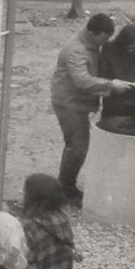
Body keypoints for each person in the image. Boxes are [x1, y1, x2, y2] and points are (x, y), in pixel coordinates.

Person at [50, 13, 125, 204]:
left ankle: (66, 186)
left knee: (76, 146)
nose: (106, 42)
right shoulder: (76, 51)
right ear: (93, 33)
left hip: (77, 103)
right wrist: (111, 85)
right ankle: (65, 189)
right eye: (104, 38)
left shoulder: (91, 43)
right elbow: (82, 80)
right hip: (69, 104)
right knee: (77, 148)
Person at [100, 21, 135, 123]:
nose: (131, 49)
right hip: (115, 101)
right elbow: (102, 73)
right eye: (129, 46)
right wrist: (112, 84)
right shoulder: (110, 49)